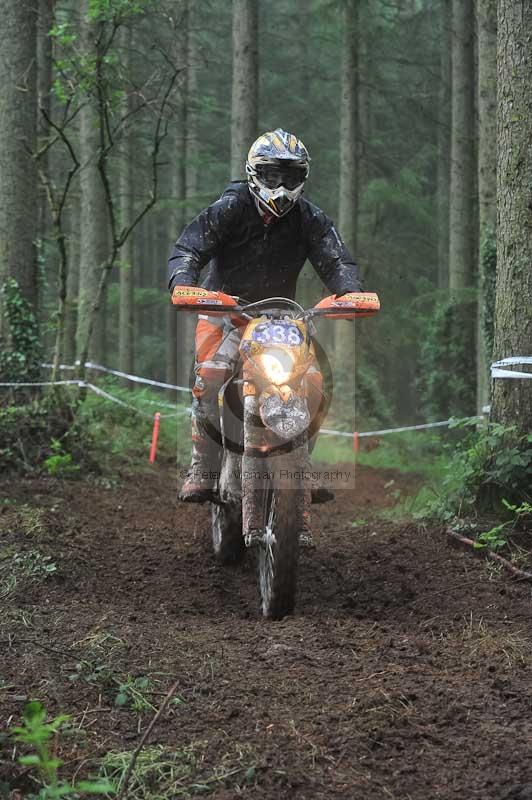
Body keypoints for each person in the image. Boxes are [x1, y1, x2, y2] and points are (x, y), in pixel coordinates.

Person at [168, 128, 362, 503]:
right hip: (224, 310)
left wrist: (351, 293)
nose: (281, 185)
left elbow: (336, 259)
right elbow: (190, 246)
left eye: (290, 177)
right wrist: (184, 282)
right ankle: (203, 468)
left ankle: (299, 465)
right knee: (210, 377)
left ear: (302, 178)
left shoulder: (309, 218)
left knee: (315, 383)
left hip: (280, 318)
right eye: (272, 174)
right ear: (255, 172)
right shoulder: (231, 207)